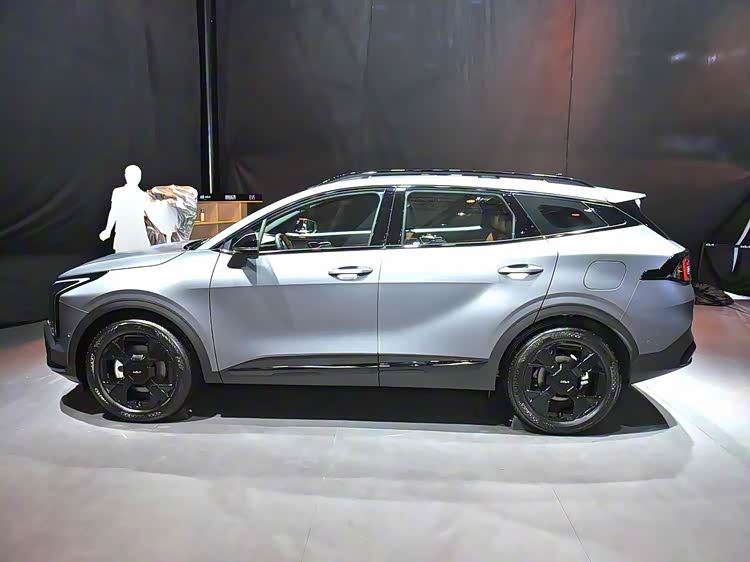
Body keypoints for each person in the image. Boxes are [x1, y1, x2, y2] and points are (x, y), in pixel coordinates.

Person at [99, 165, 151, 253]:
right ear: (126, 176)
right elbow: (114, 211)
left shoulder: (144, 196)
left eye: (137, 175)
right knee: (123, 258)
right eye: (131, 175)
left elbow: (150, 214)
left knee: (141, 258)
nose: (135, 178)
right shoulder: (118, 192)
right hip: (123, 233)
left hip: (139, 234)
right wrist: (108, 230)